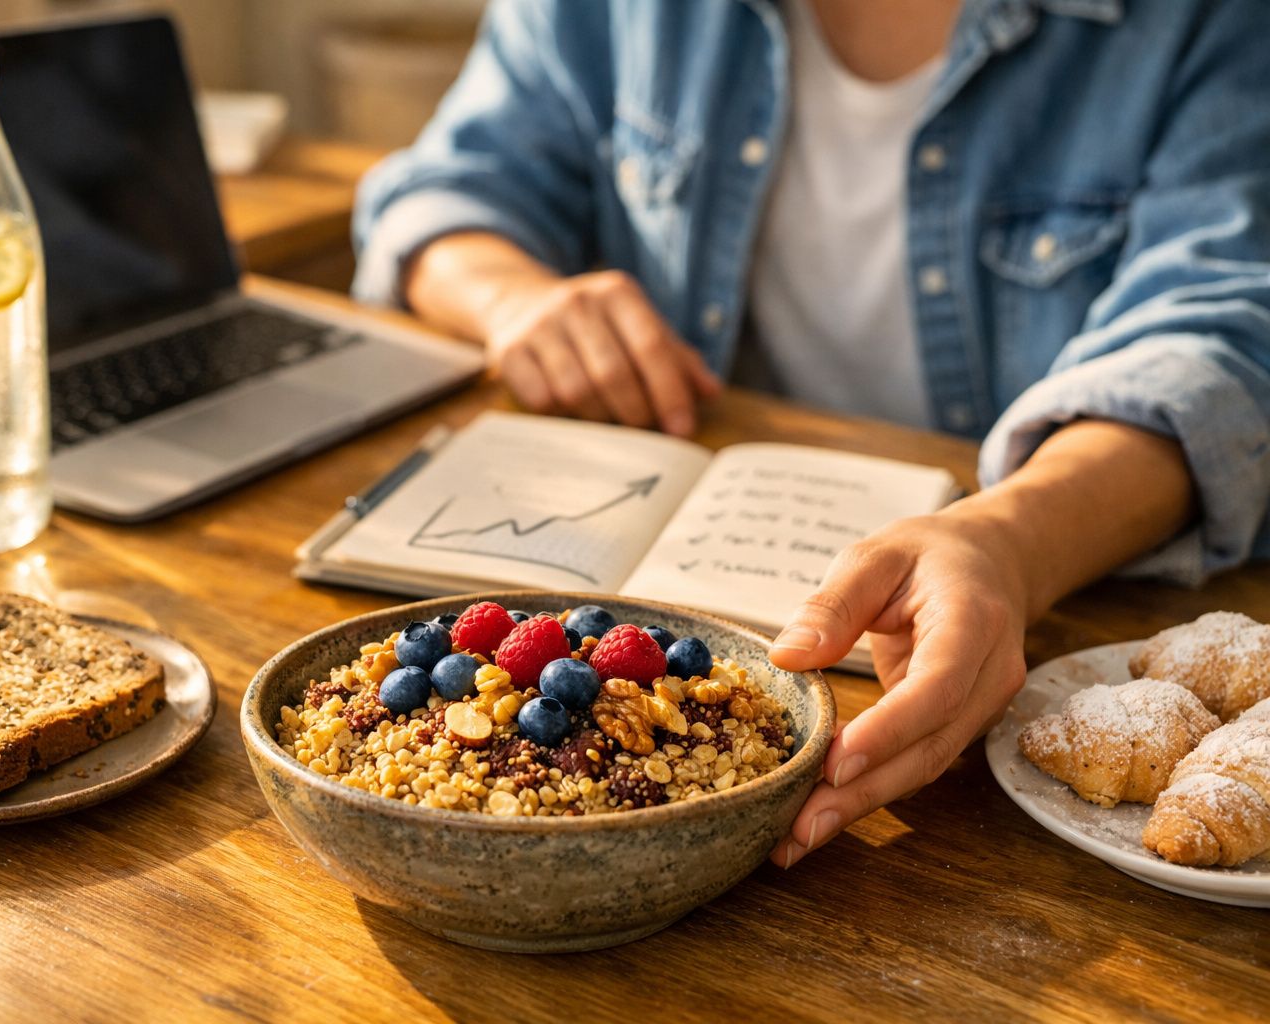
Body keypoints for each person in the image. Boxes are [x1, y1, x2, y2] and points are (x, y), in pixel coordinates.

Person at [350, 0, 1270, 867]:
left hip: (1002, 610)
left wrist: (1011, 538)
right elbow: (442, 193)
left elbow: (1224, 337)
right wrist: (512, 298)